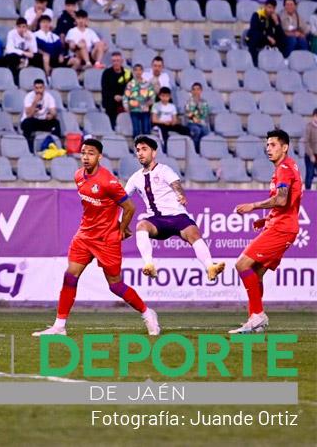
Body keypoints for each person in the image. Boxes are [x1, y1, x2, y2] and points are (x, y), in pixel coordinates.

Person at [32, 138, 159, 337]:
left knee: (115, 285)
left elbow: (129, 208)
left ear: (99, 156)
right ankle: (59, 326)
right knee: (70, 275)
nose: (85, 157)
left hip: (106, 239)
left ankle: (147, 313)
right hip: (84, 235)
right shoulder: (78, 176)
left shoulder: (108, 181)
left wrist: (121, 229)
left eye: (91, 153)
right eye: (83, 153)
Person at [125, 136, 226, 282]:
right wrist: (120, 222)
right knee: (141, 225)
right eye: (138, 150)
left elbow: (176, 183)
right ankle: (149, 264)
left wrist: (180, 195)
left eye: (144, 149)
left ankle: (210, 267)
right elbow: (123, 198)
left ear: (153, 153)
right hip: (156, 220)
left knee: (193, 233)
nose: (140, 153)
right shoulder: (135, 178)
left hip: (177, 216)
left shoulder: (164, 170)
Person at [232, 130, 302, 333]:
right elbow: (287, 203)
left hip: (282, 229)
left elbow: (281, 200)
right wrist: (267, 218)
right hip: (280, 225)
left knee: (242, 264)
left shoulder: (285, 168)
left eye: (273, 144)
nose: (268, 148)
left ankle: (257, 315)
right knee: (254, 273)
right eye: (267, 145)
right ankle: (256, 321)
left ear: (284, 147)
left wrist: (252, 206)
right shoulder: (288, 167)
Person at [21, 78, 60, 152]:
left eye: (40, 88)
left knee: (56, 122)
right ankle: (29, 148)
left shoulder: (49, 97)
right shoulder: (29, 97)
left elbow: (54, 112)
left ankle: (56, 146)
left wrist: (52, 115)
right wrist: (35, 102)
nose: (39, 90)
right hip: (31, 120)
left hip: (43, 120)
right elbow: (29, 115)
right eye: (36, 88)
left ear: (44, 88)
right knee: (27, 123)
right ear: (34, 88)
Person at [246, 0, 286, 66]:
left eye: (273, 8)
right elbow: (253, 30)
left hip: (269, 41)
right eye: (269, 7)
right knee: (255, 37)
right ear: (265, 6)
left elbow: (281, 34)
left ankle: (281, 62)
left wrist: (276, 22)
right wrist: (267, 37)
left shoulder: (275, 17)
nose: (271, 10)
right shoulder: (257, 15)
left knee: (283, 39)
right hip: (257, 38)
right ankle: (254, 63)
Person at [3, 17, 43, 83]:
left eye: (23, 27)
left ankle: (40, 78)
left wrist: (28, 40)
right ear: (16, 27)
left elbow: (34, 51)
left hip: (27, 56)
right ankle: (15, 80)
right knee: (12, 57)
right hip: (16, 55)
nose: (21, 29)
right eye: (19, 27)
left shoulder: (31, 34)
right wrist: (23, 53)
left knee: (39, 57)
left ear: (27, 27)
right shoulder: (11, 33)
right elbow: (9, 49)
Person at [123, 63, 155, 137]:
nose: (138, 72)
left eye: (140, 70)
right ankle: (136, 147)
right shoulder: (130, 84)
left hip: (145, 110)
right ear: (133, 72)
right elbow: (125, 97)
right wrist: (126, 107)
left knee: (146, 131)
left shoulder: (147, 84)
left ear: (142, 71)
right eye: (136, 70)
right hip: (134, 110)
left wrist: (148, 103)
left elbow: (152, 97)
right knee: (136, 131)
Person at [101, 51, 132, 128]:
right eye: (114, 61)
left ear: (122, 61)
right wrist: (114, 96)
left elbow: (131, 88)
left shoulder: (127, 73)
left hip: (124, 102)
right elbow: (105, 89)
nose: (116, 63)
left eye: (118, 60)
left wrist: (123, 97)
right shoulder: (106, 73)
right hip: (111, 103)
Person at [184, 82, 211, 152]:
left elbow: (205, 114)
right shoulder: (188, 102)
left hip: (201, 123)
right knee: (197, 130)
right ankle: (195, 150)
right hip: (191, 123)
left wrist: (199, 120)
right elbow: (188, 113)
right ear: (192, 91)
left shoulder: (204, 102)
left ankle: (203, 151)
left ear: (201, 91)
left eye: (198, 89)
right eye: (194, 89)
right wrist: (195, 119)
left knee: (205, 131)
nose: (196, 91)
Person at [304, 109, 317, 189]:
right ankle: (308, 191)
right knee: (309, 174)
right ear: (313, 117)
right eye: (316, 116)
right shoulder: (309, 127)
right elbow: (306, 142)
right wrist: (311, 155)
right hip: (310, 155)